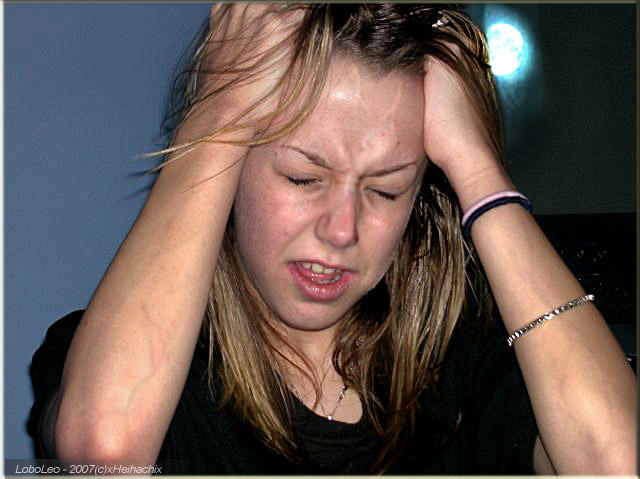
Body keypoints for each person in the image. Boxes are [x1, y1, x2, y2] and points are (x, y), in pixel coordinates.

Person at [28, 4, 636, 475]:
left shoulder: (470, 361)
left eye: (386, 189)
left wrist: (476, 168)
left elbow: (618, 463)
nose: (342, 229)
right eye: (303, 177)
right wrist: (216, 115)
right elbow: (105, 457)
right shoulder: (114, 358)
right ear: (231, 166)